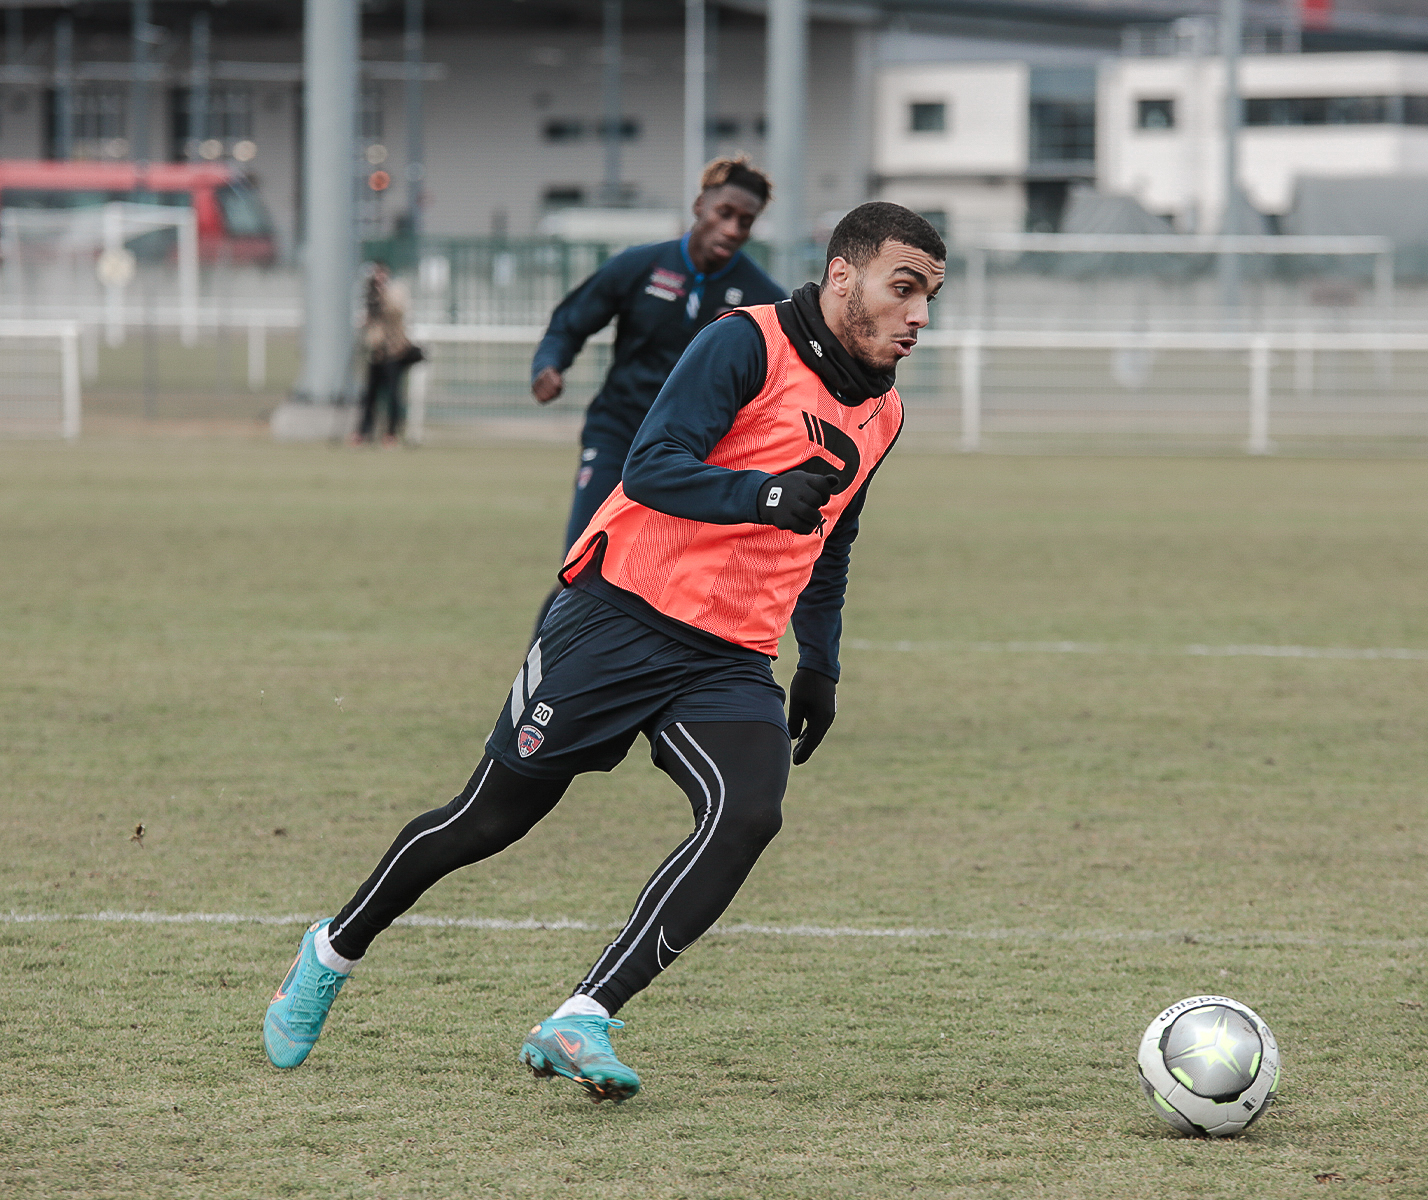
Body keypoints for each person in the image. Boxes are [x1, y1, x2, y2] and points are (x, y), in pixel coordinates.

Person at [262, 202, 947, 1105]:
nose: (920, 316)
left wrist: (819, 659)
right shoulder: (744, 344)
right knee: (489, 820)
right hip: (617, 617)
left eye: (931, 296)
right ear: (844, 275)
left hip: (730, 654)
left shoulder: (885, 413)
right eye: (905, 289)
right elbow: (651, 467)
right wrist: (763, 494)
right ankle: (331, 949)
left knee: (748, 814)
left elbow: (837, 535)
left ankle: (583, 1013)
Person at [527, 157, 786, 633]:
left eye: (745, 222)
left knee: (663, 583)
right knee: (584, 564)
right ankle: (538, 684)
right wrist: (548, 365)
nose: (731, 228)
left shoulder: (760, 296)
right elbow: (571, 320)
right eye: (724, 212)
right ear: (699, 206)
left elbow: (780, 373)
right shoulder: (641, 265)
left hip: (690, 456)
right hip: (617, 433)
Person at [354, 262, 415, 446]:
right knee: (369, 395)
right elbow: (368, 322)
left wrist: (383, 295)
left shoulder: (396, 290)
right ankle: (364, 432)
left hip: (393, 351)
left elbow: (397, 312)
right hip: (375, 352)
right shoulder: (370, 296)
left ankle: (391, 433)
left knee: (393, 395)